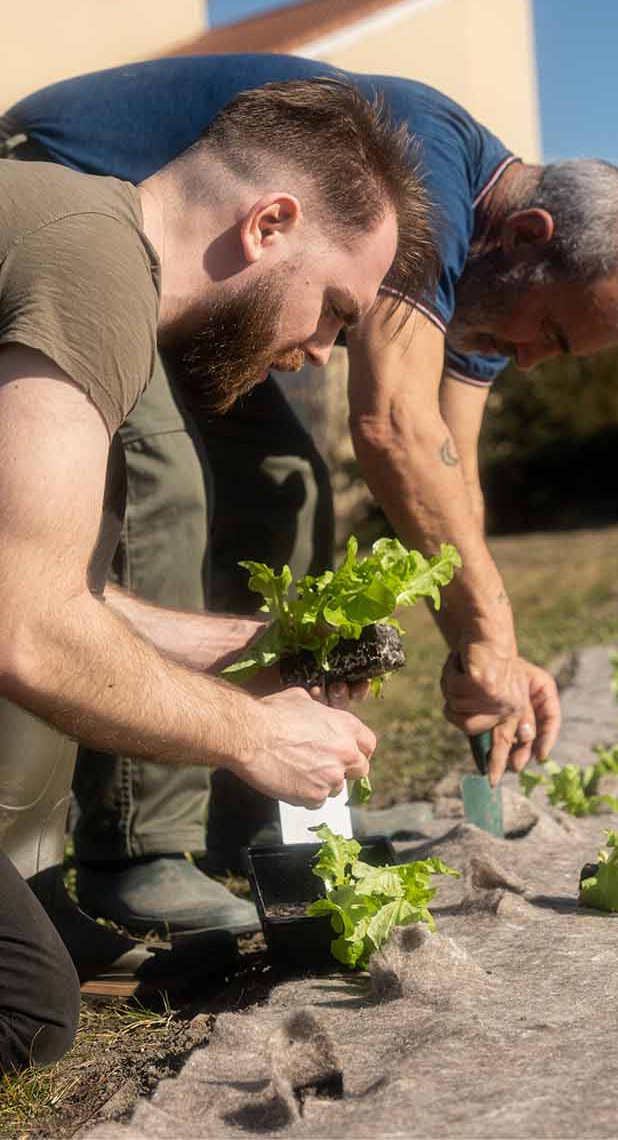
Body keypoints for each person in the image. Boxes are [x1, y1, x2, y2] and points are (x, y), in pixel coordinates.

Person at [0, 55, 618, 936]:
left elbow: (447, 471)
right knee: (165, 477)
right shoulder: (424, 185)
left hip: (210, 262)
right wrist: (484, 643)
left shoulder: (487, 288)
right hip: (107, 204)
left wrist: (486, 646)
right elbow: (392, 425)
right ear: (528, 236)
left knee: (290, 481)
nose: (535, 363)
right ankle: (140, 848)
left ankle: (263, 815)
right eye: (549, 332)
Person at [0, 76, 432, 1070]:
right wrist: (253, 735)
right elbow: (27, 629)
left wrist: (242, 653)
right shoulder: (95, 269)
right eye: (334, 309)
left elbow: (45, 580)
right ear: (269, 224)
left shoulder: (83, 239)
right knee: (23, 1007)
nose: (324, 352)